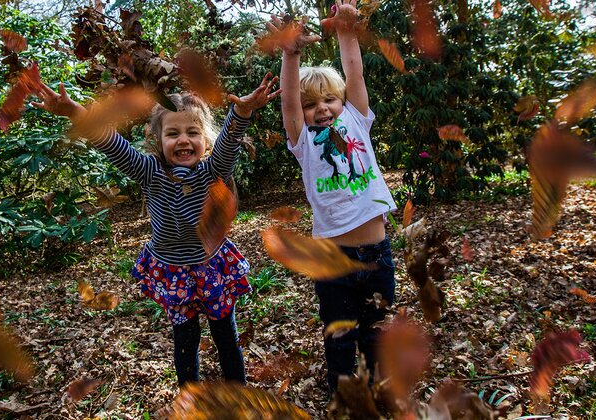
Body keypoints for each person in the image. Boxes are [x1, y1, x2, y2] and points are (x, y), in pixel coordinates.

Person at [32, 73, 279, 386]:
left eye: (193, 132)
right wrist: (74, 111)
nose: (183, 139)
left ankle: (238, 391)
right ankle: (190, 397)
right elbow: (111, 142)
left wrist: (241, 112)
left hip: (212, 267)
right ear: (159, 141)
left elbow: (229, 146)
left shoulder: (211, 170)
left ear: (204, 140)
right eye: (173, 133)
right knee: (185, 341)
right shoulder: (149, 171)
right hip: (172, 270)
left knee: (225, 336)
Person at [269, 0, 398, 391]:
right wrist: (291, 55)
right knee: (340, 337)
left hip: (376, 256)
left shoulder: (357, 119)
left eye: (329, 100)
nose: (321, 109)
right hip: (332, 262)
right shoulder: (303, 141)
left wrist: (346, 32)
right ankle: (344, 397)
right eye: (312, 105)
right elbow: (288, 100)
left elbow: (354, 73)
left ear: (342, 103)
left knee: (378, 335)